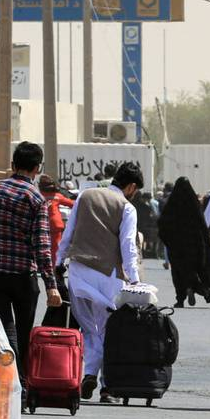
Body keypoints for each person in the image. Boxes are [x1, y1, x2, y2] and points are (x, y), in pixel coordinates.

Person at [0, 143, 62, 404]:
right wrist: (51, 284)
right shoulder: (35, 198)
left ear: (13, 162)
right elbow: (42, 246)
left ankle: (9, 382)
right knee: (23, 329)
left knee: (3, 327)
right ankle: (20, 384)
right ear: (37, 168)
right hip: (22, 275)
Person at [56, 161, 143, 404]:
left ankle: (89, 373)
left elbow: (68, 232)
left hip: (79, 271)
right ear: (131, 187)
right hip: (108, 276)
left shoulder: (85, 196)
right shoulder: (127, 207)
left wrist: (58, 262)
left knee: (87, 328)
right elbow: (128, 245)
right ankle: (106, 387)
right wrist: (134, 279)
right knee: (108, 330)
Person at [157, 177, 210, 307]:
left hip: (177, 246)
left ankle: (180, 299)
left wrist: (169, 240)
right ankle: (205, 290)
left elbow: (162, 224)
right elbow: (202, 224)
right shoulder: (194, 204)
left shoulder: (172, 204)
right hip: (195, 244)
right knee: (199, 268)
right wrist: (205, 240)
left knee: (178, 271)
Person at [38, 173, 75, 265]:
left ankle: (44, 266)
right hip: (55, 224)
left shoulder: (38, 195)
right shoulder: (57, 196)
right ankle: (55, 268)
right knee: (55, 249)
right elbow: (72, 204)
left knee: (41, 248)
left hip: (41, 225)